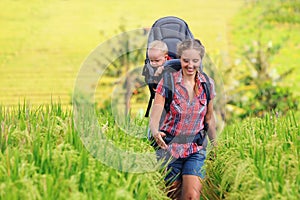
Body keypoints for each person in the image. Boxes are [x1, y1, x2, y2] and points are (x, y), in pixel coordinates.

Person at [149, 39, 217, 199]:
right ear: (180, 59)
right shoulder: (168, 82)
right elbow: (156, 112)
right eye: (186, 60)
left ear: (200, 60)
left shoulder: (207, 84)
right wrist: (154, 131)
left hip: (195, 149)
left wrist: (215, 144)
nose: (190, 65)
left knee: (191, 196)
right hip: (170, 149)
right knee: (172, 195)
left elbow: (209, 118)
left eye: (195, 61)